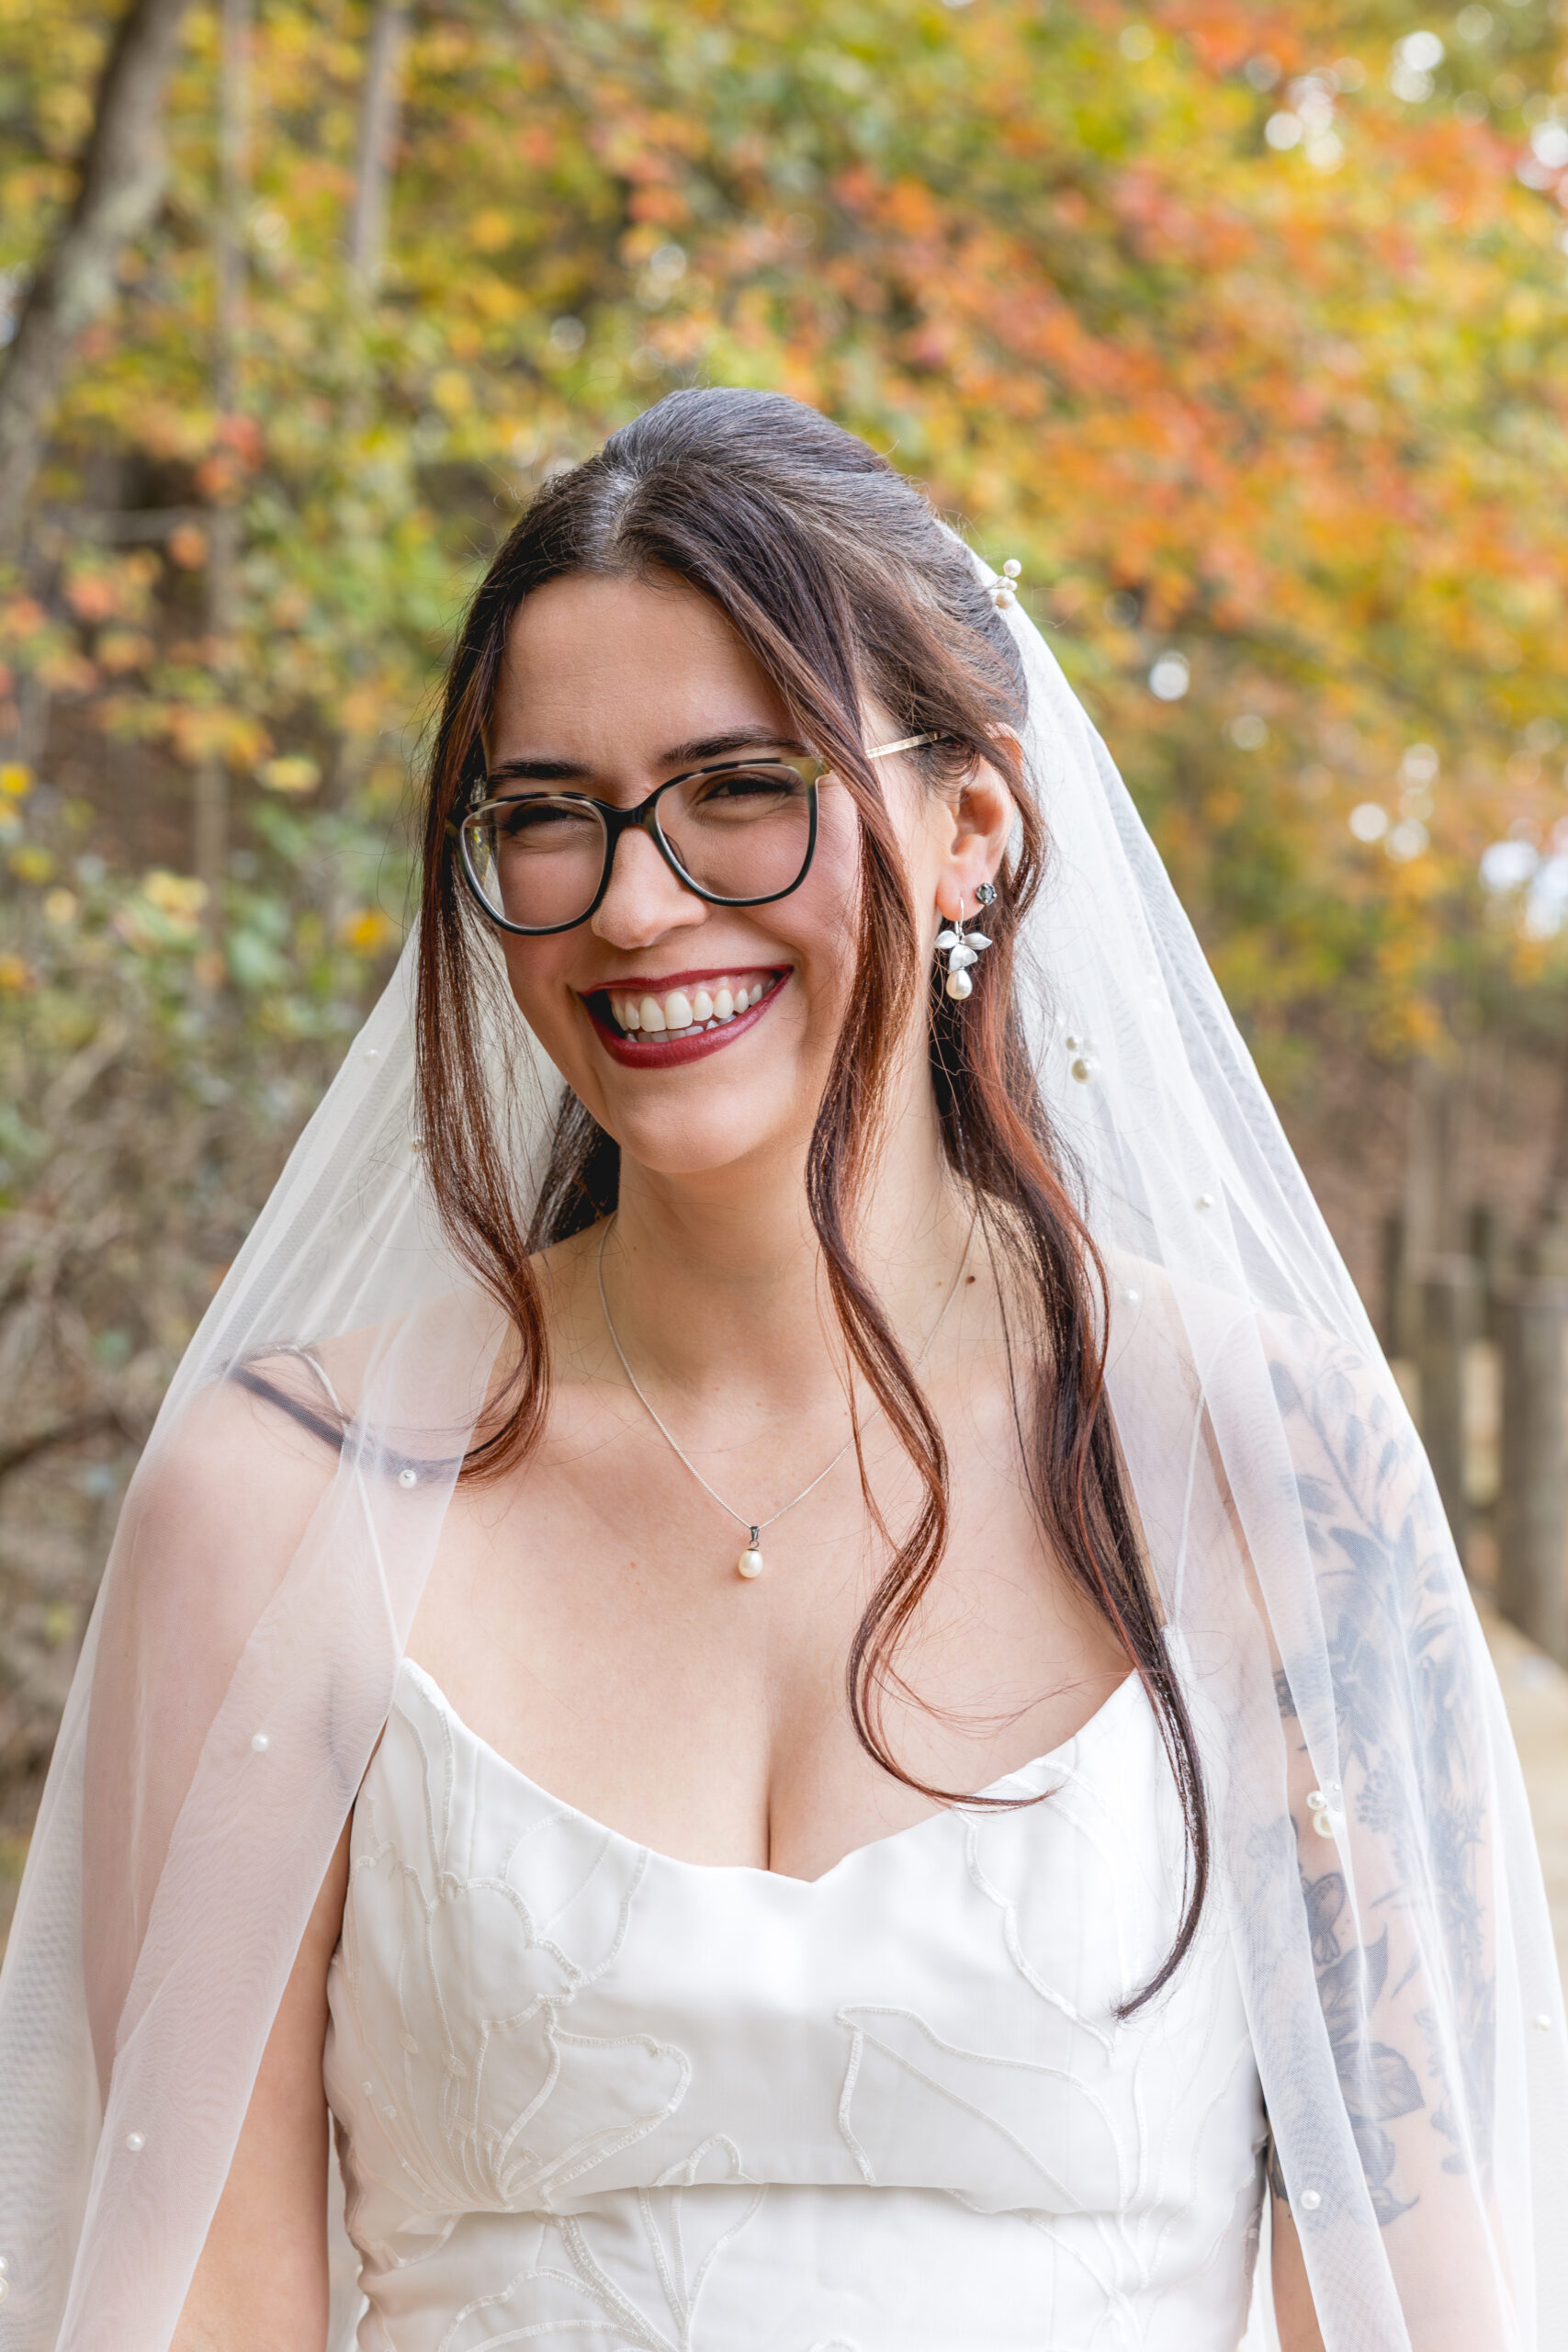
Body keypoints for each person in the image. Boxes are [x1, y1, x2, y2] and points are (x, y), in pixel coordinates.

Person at [0, 390, 1562, 2352]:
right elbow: (197, 2306)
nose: (634, 903)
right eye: (546, 815)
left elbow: (1414, 2303)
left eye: (741, 786)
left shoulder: (1262, 1468)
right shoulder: (276, 1497)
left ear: (970, 827)